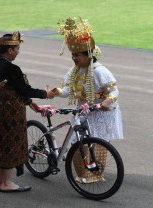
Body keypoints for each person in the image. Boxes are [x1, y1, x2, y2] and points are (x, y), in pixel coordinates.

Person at [52, 17, 123, 183]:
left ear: (88, 55)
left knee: (96, 143)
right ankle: (82, 173)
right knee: (77, 142)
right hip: (83, 111)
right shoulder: (75, 71)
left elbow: (114, 91)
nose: (73, 58)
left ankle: (94, 176)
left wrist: (106, 101)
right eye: (72, 55)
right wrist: (57, 91)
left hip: (101, 113)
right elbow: (69, 90)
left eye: (76, 55)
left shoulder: (100, 71)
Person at [0, 32, 54, 192]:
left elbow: (12, 90)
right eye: (17, 48)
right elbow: (24, 89)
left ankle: (1, 182)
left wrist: (30, 103)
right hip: (12, 112)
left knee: (2, 143)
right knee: (12, 144)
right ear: (10, 50)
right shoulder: (12, 68)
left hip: (0, 109)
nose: (18, 51)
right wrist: (45, 94)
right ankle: (6, 184)